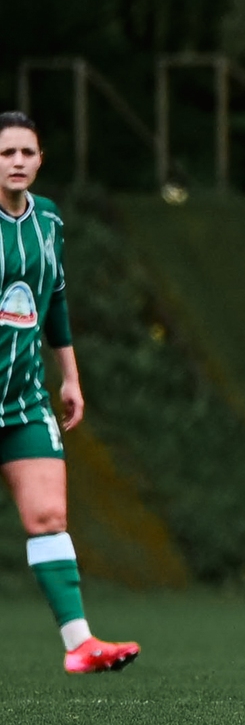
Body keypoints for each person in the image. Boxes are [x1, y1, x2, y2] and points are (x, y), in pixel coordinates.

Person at [0, 112, 140, 674]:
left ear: (40, 159)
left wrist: (71, 376)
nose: (16, 162)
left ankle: (79, 644)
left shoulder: (50, 220)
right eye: (6, 152)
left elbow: (54, 298)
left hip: (23, 398)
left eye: (26, 153)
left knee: (49, 515)